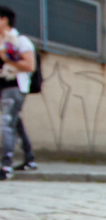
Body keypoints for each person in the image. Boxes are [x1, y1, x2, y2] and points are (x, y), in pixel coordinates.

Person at [0, 5, 36, 181]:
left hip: (14, 88)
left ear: (3, 19)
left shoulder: (20, 41)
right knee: (15, 124)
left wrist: (7, 58)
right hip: (2, 88)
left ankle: (5, 167)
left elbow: (30, 65)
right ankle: (30, 159)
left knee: (6, 125)